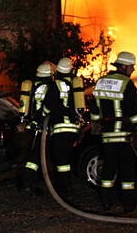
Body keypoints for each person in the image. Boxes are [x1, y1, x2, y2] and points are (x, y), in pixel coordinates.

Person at [91, 51, 137, 213]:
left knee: (108, 171)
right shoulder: (127, 84)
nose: (133, 69)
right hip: (124, 137)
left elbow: (95, 110)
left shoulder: (101, 82)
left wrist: (95, 128)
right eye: (131, 66)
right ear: (124, 66)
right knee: (127, 173)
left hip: (107, 136)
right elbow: (134, 113)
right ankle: (128, 205)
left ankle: (106, 203)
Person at [46, 57, 83, 200]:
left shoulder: (55, 85)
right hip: (73, 129)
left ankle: (64, 190)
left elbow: (48, 107)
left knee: (61, 162)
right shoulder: (75, 84)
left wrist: (43, 116)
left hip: (60, 129)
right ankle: (68, 187)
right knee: (66, 160)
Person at [19, 61, 54, 194]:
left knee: (35, 156)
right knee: (34, 158)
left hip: (33, 125)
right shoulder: (49, 88)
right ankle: (27, 183)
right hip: (41, 126)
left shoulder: (34, 87)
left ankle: (32, 182)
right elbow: (48, 107)